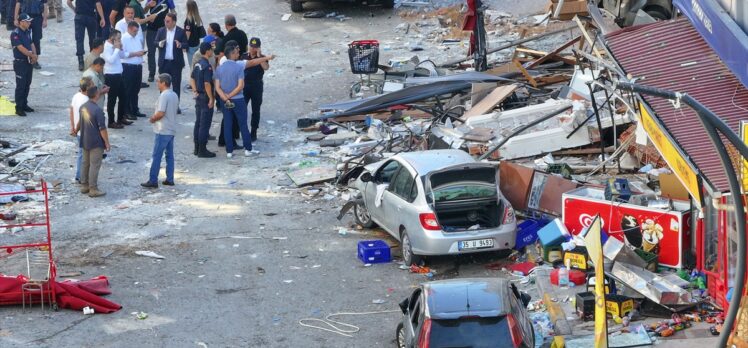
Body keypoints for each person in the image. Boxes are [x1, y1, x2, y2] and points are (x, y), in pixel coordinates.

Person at [215, 43, 255, 158]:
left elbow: (217, 87)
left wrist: (225, 97)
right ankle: (248, 149)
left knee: (228, 123)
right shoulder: (238, 67)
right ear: (232, 54)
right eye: (236, 52)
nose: (238, 54)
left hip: (224, 100)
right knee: (243, 124)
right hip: (238, 99)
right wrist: (230, 96)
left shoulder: (219, 68)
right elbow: (240, 86)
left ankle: (229, 151)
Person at [141, 73, 177, 188]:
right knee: (169, 155)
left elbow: (161, 112)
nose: (157, 84)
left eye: (158, 82)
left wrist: (152, 119)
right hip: (171, 129)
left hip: (162, 130)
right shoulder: (174, 95)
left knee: (157, 155)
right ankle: (170, 178)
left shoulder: (164, 96)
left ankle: (153, 180)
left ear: (164, 83)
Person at [76, 85, 110, 197]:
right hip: (95, 142)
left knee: (85, 163)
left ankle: (84, 185)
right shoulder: (97, 110)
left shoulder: (83, 107)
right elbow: (102, 129)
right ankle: (93, 189)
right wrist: (107, 142)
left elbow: (79, 123)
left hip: (85, 139)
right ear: (96, 95)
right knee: (95, 165)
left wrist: (75, 131)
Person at [103, 29, 141, 128]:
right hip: (111, 76)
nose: (120, 41)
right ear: (112, 39)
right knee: (112, 100)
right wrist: (116, 49)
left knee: (123, 97)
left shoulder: (116, 46)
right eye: (118, 39)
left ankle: (120, 118)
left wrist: (121, 49)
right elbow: (110, 60)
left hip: (119, 75)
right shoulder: (106, 47)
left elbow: (122, 55)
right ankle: (111, 121)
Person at [154, 12, 186, 108]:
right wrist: (159, 44)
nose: (166, 23)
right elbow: (155, 42)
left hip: (176, 63)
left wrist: (180, 45)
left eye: (168, 21)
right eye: (165, 21)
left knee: (176, 86)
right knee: (163, 86)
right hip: (164, 63)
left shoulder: (180, 31)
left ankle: (176, 106)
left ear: (174, 22)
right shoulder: (161, 31)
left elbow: (186, 44)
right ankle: (163, 106)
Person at [190, 41, 215, 158]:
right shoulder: (207, 66)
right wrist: (211, 98)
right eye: (211, 49)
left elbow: (192, 79)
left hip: (198, 96)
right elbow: (207, 84)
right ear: (208, 51)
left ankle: (196, 148)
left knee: (198, 122)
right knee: (204, 124)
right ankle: (202, 150)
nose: (212, 51)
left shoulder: (197, 64)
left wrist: (195, 91)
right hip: (205, 96)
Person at [243, 37, 270, 143]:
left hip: (256, 86)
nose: (252, 49)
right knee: (242, 109)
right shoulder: (244, 56)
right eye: (251, 47)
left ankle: (254, 131)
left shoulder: (263, 58)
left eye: (255, 47)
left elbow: (266, 67)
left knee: (256, 110)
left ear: (259, 48)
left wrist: (259, 57)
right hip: (245, 85)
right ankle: (243, 130)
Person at [11, 13, 36, 117]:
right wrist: (31, 55)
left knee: (27, 84)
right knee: (21, 86)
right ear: (21, 22)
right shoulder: (15, 33)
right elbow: (20, 48)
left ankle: (24, 104)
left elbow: (31, 43)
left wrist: (34, 54)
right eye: (27, 21)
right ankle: (19, 107)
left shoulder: (27, 31)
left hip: (28, 61)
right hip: (20, 62)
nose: (29, 23)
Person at [68, 0, 104, 71]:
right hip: (91, 17)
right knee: (92, 39)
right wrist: (102, 17)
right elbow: (98, 4)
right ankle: (93, 59)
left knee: (79, 40)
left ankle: (80, 62)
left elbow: (68, 2)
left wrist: (74, 9)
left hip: (79, 16)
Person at [143, 0, 174, 82]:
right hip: (151, 30)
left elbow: (173, 12)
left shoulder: (168, 0)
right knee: (151, 52)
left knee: (163, 52)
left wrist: (171, 23)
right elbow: (144, 11)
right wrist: (148, 6)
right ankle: (151, 73)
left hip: (163, 30)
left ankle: (162, 73)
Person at [70, 77, 93, 183]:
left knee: (81, 154)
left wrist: (73, 127)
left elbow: (71, 110)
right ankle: (81, 177)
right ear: (87, 87)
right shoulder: (87, 101)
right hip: (85, 132)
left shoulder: (76, 96)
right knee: (85, 156)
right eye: (92, 85)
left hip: (78, 131)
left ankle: (79, 175)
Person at [121, 20, 145, 119]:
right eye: (135, 31)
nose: (136, 33)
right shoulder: (124, 38)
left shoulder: (137, 37)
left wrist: (141, 53)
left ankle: (134, 109)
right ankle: (126, 111)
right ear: (129, 29)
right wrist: (136, 54)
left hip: (138, 66)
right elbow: (122, 54)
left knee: (136, 89)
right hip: (128, 66)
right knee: (128, 89)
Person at [14, 0, 46, 69]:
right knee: (24, 39)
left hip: (37, 17)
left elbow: (45, 5)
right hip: (25, 17)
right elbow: (18, 3)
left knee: (36, 39)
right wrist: (15, 19)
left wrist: (45, 19)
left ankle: (35, 60)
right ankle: (25, 59)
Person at [183, 0, 203, 68]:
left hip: (191, 45)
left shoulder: (188, 20)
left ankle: (193, 78)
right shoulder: (198, 18)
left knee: (192, 66)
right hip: (197, 44)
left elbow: (187, 34)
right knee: (198, 64)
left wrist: (184, 45)